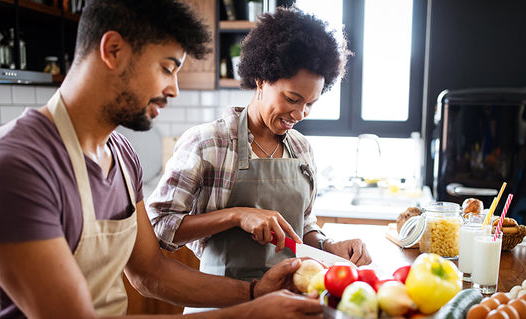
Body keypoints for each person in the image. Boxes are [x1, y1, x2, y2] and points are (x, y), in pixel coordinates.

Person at [0, 1, 322, 318]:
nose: (174, 88)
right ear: (112, 50)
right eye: (167, 67)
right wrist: (250, 311)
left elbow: (152, 274)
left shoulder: (122, 157)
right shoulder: (14, 166)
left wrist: (253, 292)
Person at [147, 6, 372, 291]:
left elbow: (302, 230)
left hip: (290, 300)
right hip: (222, 301)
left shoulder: (302, 150)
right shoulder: (207, 143)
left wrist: (330, 246)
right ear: (261, 79)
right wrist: (237, 215)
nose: (300, 114)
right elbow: (159, 226)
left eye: (310, 104)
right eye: (292, 99)